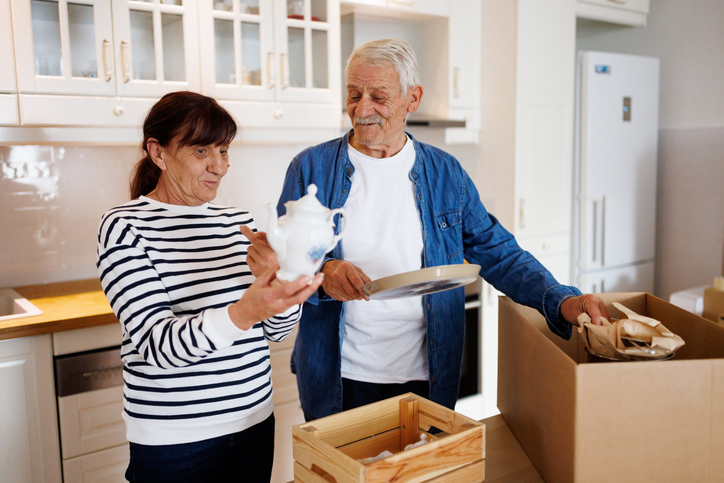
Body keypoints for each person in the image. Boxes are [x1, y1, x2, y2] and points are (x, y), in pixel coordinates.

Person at [250, 38, 610, 422]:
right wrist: (323, 277)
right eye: (353, 94)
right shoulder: (311, 168)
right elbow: (282, 272)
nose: (361, 108)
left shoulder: (446, 173)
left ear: (413, 98)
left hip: (427, 376)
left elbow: (498, 251)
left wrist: (561, 300)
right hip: (339, 377)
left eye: (378, 96)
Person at [96, 91, 323, 483]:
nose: (218, 166)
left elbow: (275, 331)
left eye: (224, 150)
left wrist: (281, 279)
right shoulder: (124, 226)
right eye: (202, 151)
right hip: (174, 442)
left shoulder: (238, 221)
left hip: (253, 422)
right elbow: (157, 346)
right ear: (158, 152)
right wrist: (243, 312)